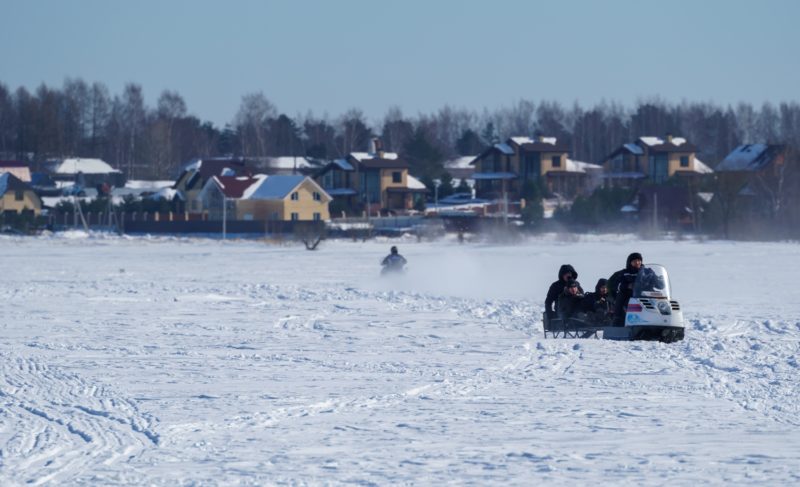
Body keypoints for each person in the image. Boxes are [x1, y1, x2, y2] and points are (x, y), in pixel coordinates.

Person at [609, 252, 643, 326]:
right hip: (629, 294)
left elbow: (657, 283)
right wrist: (627, 286)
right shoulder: (625, 273)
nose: (637, 263)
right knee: (620, 295)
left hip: (645, 294)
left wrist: (659, 280)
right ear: (630, 262)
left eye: (639, 260)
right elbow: (617, 284)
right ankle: (617, 318)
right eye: (634, 261)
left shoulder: (647, 271)